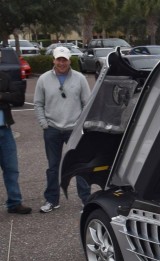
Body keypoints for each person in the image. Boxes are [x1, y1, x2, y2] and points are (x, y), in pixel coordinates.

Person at [33, 46, 91, 213]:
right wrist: (44, 124)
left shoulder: (80, 78)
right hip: (52, 129)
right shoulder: (43, 79)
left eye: (64, 59)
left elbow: (87, 104)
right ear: (54, 60)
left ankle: (86, 200)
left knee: (80, 165)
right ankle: (52, 200)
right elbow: (38, 104)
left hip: (74, 129)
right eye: (58, 59)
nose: (61, 63)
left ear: (69, 60)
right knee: (53, 167)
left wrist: (82, 125)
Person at [0, 61, 32, 214]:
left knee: (11, 169)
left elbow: (18, 97)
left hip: (5, 130)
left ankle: (14, 202)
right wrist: (5, 96)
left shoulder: (4, 77)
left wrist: (1, 95)